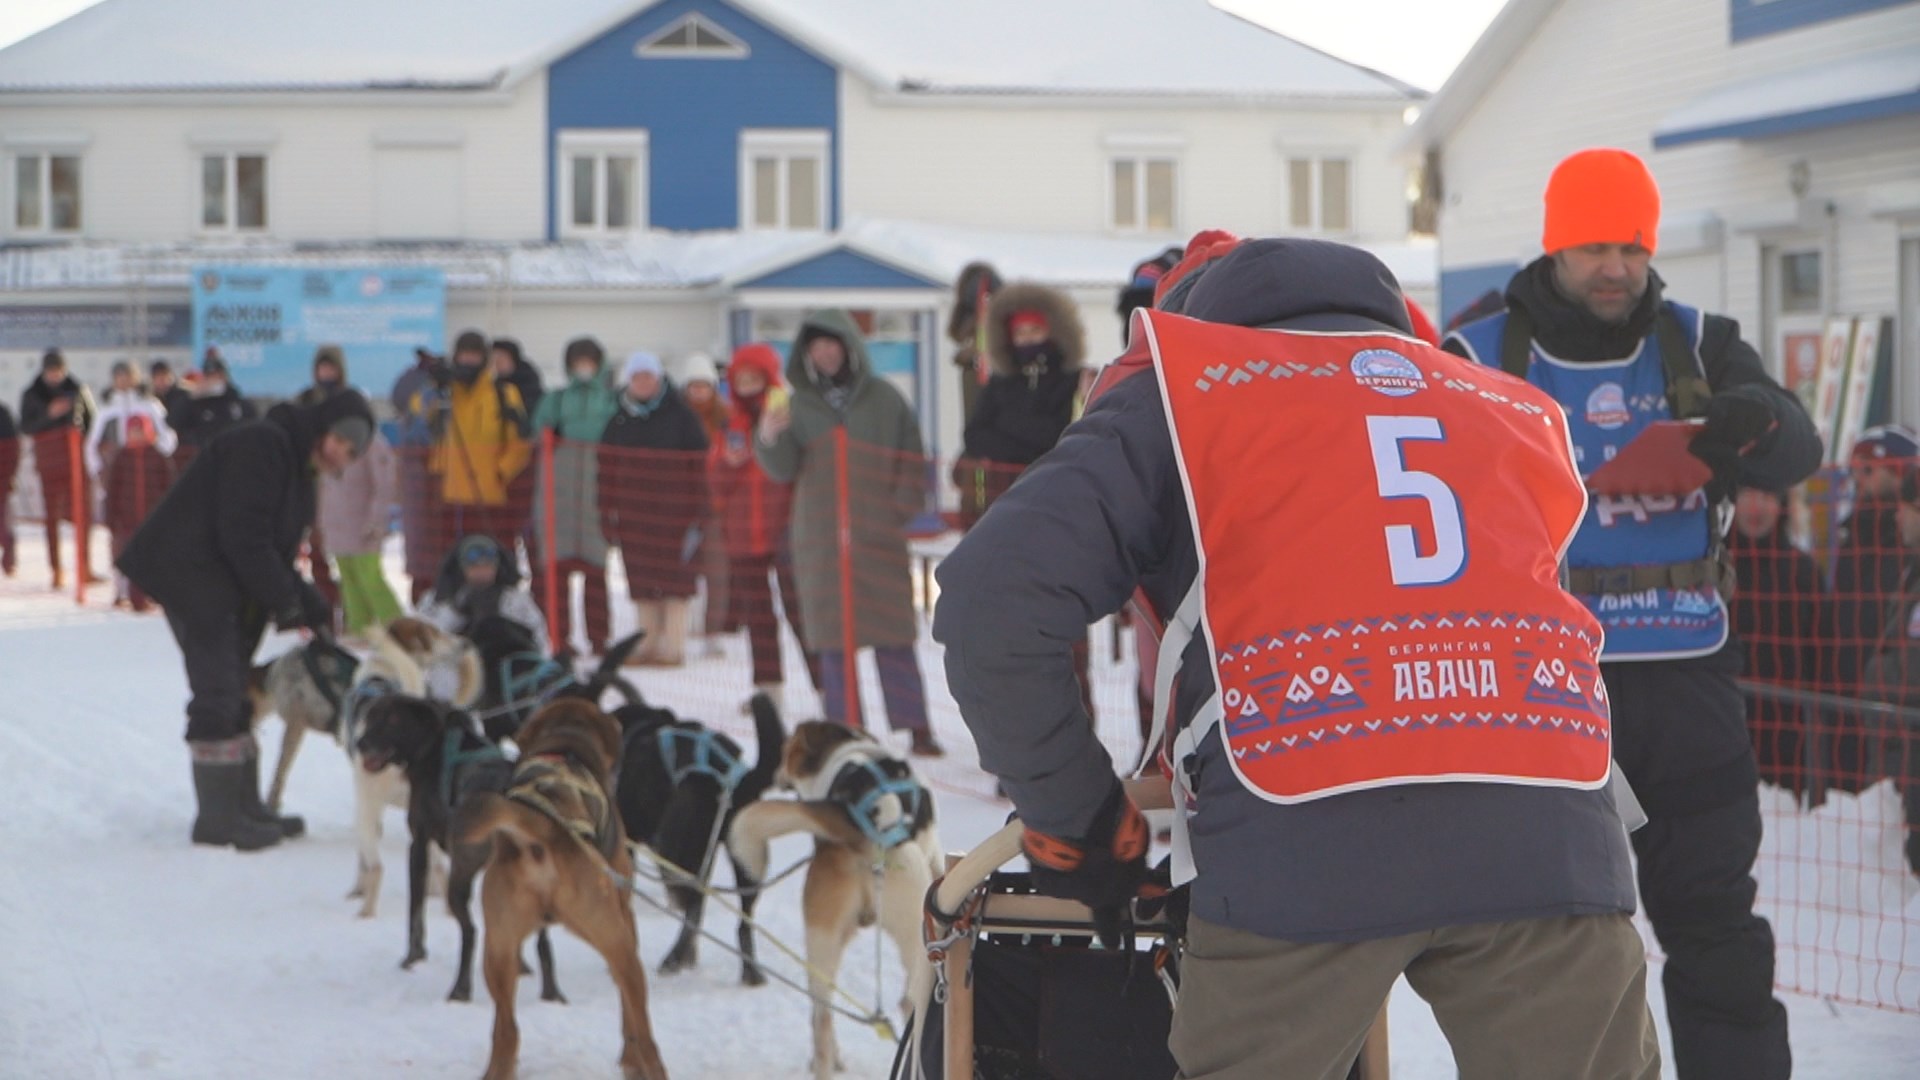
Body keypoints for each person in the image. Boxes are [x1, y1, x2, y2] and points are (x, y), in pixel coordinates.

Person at [936, 236, 1658, 1079]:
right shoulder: (1502, 402)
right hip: (1547, 824)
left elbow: (992, 604)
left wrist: (1081, 817)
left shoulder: (1187, 391)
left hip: (1307, 824)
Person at [1443, 148, 1819, 1079]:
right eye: (1591, 245)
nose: (1615, 265)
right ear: (1553, 248)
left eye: (1630, 245)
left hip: (1688, 682)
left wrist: (1751, 418)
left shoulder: (1700, 341)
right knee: (1550, 948)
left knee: (1716, 925)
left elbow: (1797, 446)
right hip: (1544, 690)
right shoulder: (1478, 352)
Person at [118, 389, 375, 851]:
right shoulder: (264, 445)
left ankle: (245, 805)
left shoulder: (296, 466)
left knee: (235, 683)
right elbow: (243, 534)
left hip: (220, 575)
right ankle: (218, 820)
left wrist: (303, 597)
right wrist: (285, 598)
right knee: (217, 685)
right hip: (189, 568)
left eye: (352, 452)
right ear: (323, 426)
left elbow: (269, 548)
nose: (341, 453)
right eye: (341, 440)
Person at [755, 311, 942, 756]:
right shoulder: (794, 404)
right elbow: (782, 470)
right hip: (819, 538)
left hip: (878, 533)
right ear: (806, 354)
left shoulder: (884, 398)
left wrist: (900, 508)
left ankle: (916, 726)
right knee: (833, 640)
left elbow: (912, 454)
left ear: (849, 346)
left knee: (894, 632)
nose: (825, 352)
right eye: (816, 346)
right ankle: (845, 728)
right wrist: (768, 438)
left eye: (832, 343)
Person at [955, 283, 1096, 722]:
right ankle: (1024, 739)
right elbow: (974, 436)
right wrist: (1029, 439)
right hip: (1008, 523)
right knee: (1013, 635)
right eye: (1021, 332)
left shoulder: (1074, 381)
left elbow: (1062, 438)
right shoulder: (1000, 385)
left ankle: (1082, 730)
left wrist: (1012, 440)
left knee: (1067, 638)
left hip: (1064, 521)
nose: (1029, 339)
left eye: (1036, 329)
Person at [711, 342, 816, 706]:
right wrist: (729, 464)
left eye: (755, 378)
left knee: (800, 612)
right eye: (741, 379)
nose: (748, 386)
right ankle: (769, 692)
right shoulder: (730, 425)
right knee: (758, 616)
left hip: (786, 530)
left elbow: (803, 471)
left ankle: (824, 689)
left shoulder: (790, 418)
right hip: (742, 535)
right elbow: (715, 487)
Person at [597, 351, 709, 666]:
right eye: (637, 377)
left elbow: (701, 466)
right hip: (633, 516)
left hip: (678, 514)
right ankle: (646, 643)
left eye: (649, 376)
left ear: (659, 380)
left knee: (677, 580)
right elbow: (604, 472)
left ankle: (673, 646)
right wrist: (606, 514)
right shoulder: (618, 420)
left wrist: (702, 511)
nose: (643, 383)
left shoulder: (682, 417)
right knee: (641, 580)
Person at [1729, 486, 1823, 795]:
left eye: (1768, 496)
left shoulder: (1804, 572)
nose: (1757, 507)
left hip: (1785, 736)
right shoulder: (1710, 567)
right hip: (1721, 723)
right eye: (1748, 494)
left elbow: (1820, 657)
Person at [530, 337, 620, 657]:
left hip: (595, 491)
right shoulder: (555, 400)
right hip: (561, 492)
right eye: (578, 361)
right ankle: (558, 637)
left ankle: (599, 638)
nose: (584, 368)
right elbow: (538, 432)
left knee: (597, 572)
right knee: (557, 572)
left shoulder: (611, 401)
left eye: (589, 361)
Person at [413, 330, 532, 563]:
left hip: (489, 495)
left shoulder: (503, 393)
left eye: (474, 356)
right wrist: (434, 384)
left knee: (492, 559)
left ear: (484, 359)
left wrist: (501, 472)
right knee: (449, 561)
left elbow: (519, 442)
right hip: (448, 494)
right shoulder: (446, 392)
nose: (468, 362)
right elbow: (418, 410)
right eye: (463, 356)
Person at [1856, 471, 1920, 877]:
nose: (1897, 516)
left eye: (1906, 508)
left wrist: (1876, 673)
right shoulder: (1911, 568)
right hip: (1901, 752)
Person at [1826, 426, 1918, 697]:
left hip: (1890, 702)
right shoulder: (1851, 537)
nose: (1857, 479)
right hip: (1844, 693)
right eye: (1854, 470)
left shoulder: (1908, 547)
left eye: (1868, 470)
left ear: (1900, 475)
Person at [85, 360, 178, 611]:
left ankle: (150, 589)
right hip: (119, 475)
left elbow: (168, 437)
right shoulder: (107, 409)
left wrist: (155, 450)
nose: (123, 381)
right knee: (120, 539)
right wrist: (99, 471)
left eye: (128, 376)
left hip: (147, 475)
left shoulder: (150, 406)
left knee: (150, 541)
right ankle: (121, 587)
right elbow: (92, 444)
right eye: (119, 377)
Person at [317, 410, 402, 641]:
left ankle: (397, 628)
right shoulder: (330, 442)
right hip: (337, 525)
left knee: (370, 578)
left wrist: (376, 520)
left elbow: (384, 485)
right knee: (348, 580)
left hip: (362, 525)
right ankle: (360, 629)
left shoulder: (373, 444)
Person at [18, 349, 99, 589]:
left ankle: (85, 566)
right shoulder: (32, 394)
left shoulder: (78, 389)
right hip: (49, 462)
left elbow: (92, 422)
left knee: (84, 514)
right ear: (44, 371)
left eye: (59, 371)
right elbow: (26, 426)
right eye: (51, 371)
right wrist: (48, 415)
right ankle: (56, 569)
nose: (55, 376)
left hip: (77, 462)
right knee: (51, 517)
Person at [677, 351, 732, 658]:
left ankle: (713, 632)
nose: (699, 393)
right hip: (683, 508)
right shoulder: (676, 420)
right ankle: (679, 629)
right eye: (693, 386)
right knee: (680, 571)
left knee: (717, 572)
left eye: (705, 386)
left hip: (715, 508)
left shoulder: (725, 420)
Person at [418, 533, 550, 656]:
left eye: (488, 566)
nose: (481, 572)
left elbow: (539, 638)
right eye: (474, 566)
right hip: (455, 668)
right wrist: (456, 611)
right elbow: (425, 639)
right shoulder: (436, 599)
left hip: (503, 669)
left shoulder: (514, 600)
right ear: (461, 567)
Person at [295, 345, 350, 607]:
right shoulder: (306, 398)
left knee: (345, 557)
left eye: (331, 368)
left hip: (342, 488)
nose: (326, 373)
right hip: (311, 485)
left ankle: (347, 610)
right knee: (315, 555)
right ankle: (321, 608)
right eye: (322, 368)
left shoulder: (349, 401)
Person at [391, 347, 444, 604]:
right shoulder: (421, 392)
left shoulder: (430, 391)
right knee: (421, 541)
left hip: (434, 473)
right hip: (424, 472)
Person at [172, 353, 256, 455]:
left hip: (235, 454)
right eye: (209, 376)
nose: (213, 380)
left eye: (217, 375)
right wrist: (192, 396)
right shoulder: (197, 404)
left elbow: (252, 424)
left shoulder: (237, 402)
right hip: (207, 455)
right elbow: (174, 422)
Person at [0, 398, 20, 577]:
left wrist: (10, 474)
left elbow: (13, 447)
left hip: (2, 476)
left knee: (2, 518)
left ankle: (9, 559)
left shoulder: (3, 413)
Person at [148, 359, 193, 428]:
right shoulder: (150, 398)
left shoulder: (183, 395)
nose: (162, 380)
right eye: (158, 377)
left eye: (164, 375)